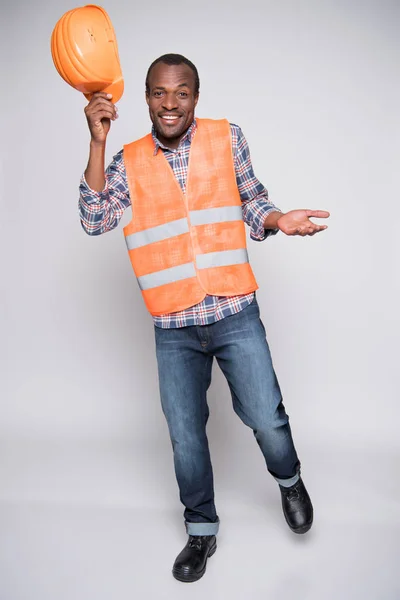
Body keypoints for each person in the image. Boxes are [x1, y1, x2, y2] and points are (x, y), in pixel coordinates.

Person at [79, 53, 329, 583]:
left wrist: (279, 219)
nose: (170, 103)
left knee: (266, 415)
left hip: (233, 308)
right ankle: (202, 530)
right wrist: (98, 141)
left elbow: (250, 196)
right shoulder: (126, 159)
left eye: (182, 92)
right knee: (186, 434)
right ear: (145, 98)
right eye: (158, 93)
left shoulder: (225, 136)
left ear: (196, 95)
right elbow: (95, 218)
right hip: (173, 324)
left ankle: (288, 481)